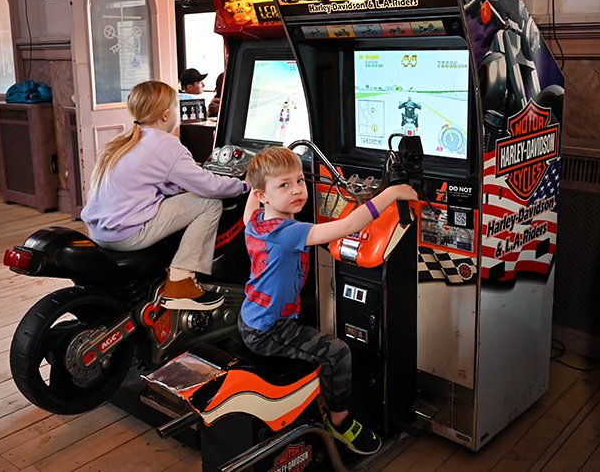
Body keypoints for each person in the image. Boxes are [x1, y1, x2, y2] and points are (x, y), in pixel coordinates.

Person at [240, 146, 417, 455]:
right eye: (284, 185)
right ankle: (340, 420)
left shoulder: (255, 220)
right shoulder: (289, 231)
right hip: (269, 330)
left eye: (299, 181)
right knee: (338, 353)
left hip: (251, 316)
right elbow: (349, 227)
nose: (296, 190)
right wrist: (391, 194)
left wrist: (261, 184)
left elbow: (250, 206)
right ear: (264, 195)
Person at [81, 80, 250, 311]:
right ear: (166, 114)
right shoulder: (166, 144)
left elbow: (150, 183)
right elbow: (208, 186)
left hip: (98, 233)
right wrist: (243, 186)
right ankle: (181, 281)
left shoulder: (122, 139)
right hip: (127, 235)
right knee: (210, 203)